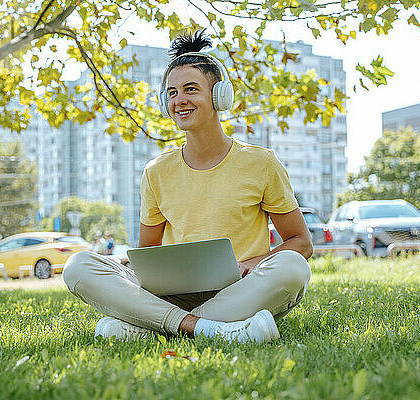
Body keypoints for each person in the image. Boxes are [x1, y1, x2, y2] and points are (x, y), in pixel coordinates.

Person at [63, 29, 313, 343]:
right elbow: (149, 253)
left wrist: (250, 264)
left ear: (220, 95)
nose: (179, 99)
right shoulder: (156, 170)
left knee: (293, 267)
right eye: (171, 92)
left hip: (239, 289)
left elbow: (301, 242)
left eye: (190, 89)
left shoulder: (261, 163)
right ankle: (210, 330)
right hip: (171, 293)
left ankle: (152, 329)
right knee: (78, 266)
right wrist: (123, 266)